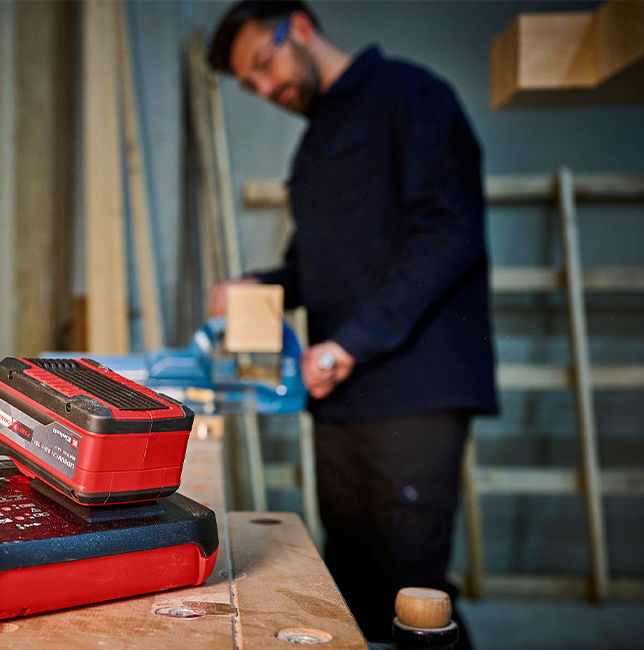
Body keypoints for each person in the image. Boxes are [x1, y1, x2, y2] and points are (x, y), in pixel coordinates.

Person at [206, 2, 498, 648]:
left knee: (413, 590)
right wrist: (262, 286)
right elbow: (315, 269)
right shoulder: (314, 145)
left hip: (415, 391)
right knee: (349, 581)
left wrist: (351, 343)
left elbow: (447, 234)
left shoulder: (412, 97)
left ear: (301, 28)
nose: (264, 88)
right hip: (340, 393)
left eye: (263, 64)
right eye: (249, 84)